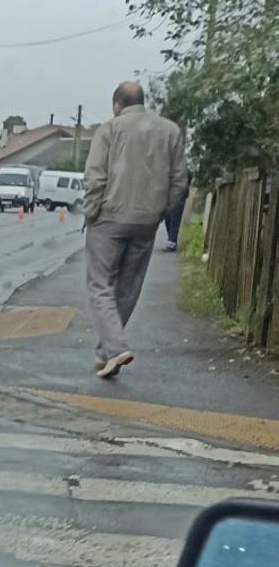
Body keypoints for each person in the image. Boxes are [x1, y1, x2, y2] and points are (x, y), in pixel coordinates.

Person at [83, 81, 187, 378]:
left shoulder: (110, 130)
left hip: (109, 218)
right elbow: (180, 181)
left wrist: (92, 214)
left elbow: (95, 178)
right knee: (129, 286)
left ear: (118, 104)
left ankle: (115, 349)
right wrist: (159, 212)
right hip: (146, 222)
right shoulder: (171, 132)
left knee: (100, 284)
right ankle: (106, 353)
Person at [164, 168, 194, 252]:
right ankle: (171, 239)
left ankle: (172, 243)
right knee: (168, 219)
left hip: (180, 198)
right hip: (170, 199)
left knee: (175, 220)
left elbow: (191, 176)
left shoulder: (185, 171)